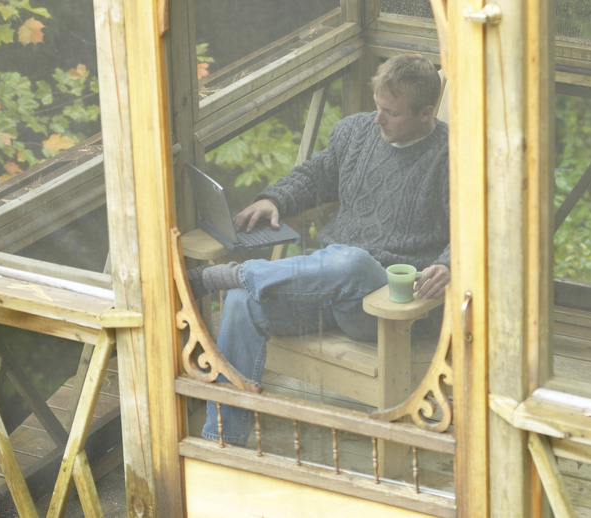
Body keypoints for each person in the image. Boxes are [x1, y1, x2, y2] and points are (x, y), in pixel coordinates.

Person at [189, 53, 450, 446]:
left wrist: (450, 264)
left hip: (386, 309)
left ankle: (231, 274)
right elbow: (314, 176)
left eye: (391, 113)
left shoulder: (452, 157)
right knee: (241, 303)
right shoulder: (356, 133)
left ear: (427, 113)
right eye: (377, 106)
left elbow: (479, 225)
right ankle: (222, 440)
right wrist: (274, 199)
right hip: (326, 290)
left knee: (354, 260)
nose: (377, 119)